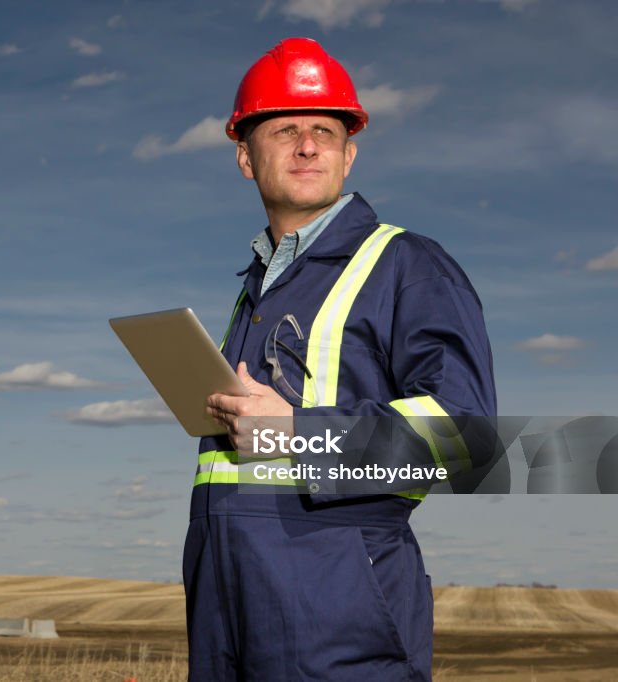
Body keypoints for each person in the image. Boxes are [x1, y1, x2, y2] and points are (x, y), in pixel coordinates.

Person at [185, 38, 496, 681]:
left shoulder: (408, 266)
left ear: (349, 154)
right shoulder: (254, 289)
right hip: (228, 620)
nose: (308, 146)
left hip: (340, 633)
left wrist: (297, 432)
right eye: (286, 129)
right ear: (245, 156)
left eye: (325, 131)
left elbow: (464, 435)